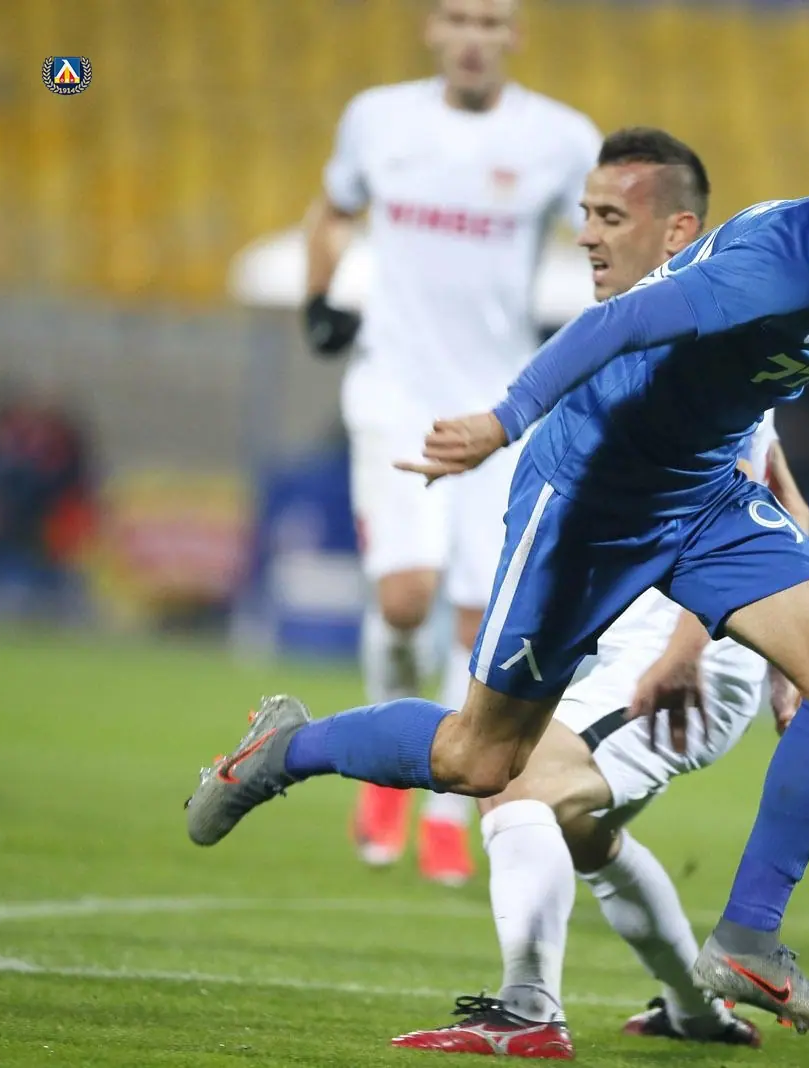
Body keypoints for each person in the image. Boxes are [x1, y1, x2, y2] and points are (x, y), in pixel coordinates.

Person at [187, 92, 809, 1033]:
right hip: (588, 494)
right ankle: (286, 750)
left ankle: (747, 940)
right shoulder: (780, 263)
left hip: (703, 495)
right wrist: (503, 420)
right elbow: (619, 323)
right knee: (479, 759)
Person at [392, 125, 784, 1058]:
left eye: (610, 216)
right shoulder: (659, 330)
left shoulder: (698, 342)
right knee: (579, 832)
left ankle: (528, 1011)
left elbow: (748, 498)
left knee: (513, 780)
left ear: (678, 231)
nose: (586, 236)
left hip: (675, 645)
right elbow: (784, 498)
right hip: (632, 636)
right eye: (585, 214)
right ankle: (692, 1013)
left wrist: (694, 647)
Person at [301, 0, 600, 884]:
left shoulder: (559, 138)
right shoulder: (377, 118)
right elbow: (332, 211)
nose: (475, 37)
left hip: (498, 408)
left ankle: (441, 810)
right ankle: (382, 762)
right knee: (404, 599)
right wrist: (319, 295)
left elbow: (604, 235)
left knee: (480, 619)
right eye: (459, 18)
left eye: (492, 22)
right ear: (431, 28)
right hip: (394, 393)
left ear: (515, 35)